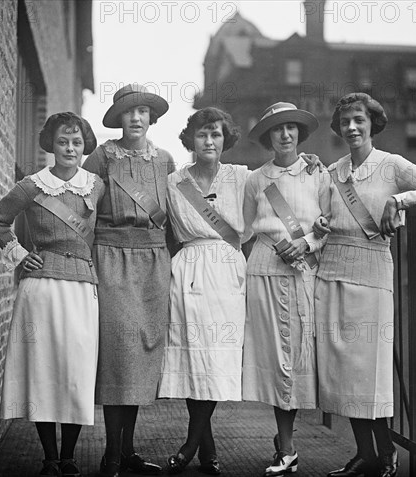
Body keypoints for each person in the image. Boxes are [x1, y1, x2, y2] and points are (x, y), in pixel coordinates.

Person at [313, 92, 416, 477]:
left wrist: (400, 201)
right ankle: (364, 455)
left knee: (369, 369)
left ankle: (387, 451)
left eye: (359, 120)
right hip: (330, 271)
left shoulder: (391, 165)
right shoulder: (333, 170)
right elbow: (320, 217)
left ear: (372, 123)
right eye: (345, 122)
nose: (352, 127)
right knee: (342, 368)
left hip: (372, 273)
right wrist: (320, 222)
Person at [0, 112, 104, 477]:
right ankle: (50, 458)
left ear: (85, 147)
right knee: (43, 371)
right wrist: (21, 255)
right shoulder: (31, 185)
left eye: (77, 142)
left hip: (83, 288)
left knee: (76, 371)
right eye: (63, 142)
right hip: (41, 288)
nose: (70, 148)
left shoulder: (96, 185)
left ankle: (69, 456)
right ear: (51, 145)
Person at [82, 84, 175, 477]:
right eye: (128, 112)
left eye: (142, 111)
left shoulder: (166, 160)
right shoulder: (102, 156)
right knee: (118, 355)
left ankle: (130, 450)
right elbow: (79, 206)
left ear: (151, 118)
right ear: (118, 118)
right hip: (112, 257)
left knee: (141, 357)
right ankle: (112, 453)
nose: (135, 118)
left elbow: (190, 203)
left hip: (154, 260)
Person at [158, 107, 248, 475]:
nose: (209, 141)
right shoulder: (174, 182)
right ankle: (206, 450)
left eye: (216, 134)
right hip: (189, 271)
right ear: (190, 140)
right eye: (201, 134)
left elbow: (281, 196)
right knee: (195, 360)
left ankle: (191, 445)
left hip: (227, 273)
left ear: (226, 139)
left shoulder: (243, 177)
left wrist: (307, 165)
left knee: (217, 358)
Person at [242, 102, 331, 477]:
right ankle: (286, 445)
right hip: (264, 271)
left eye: (291, 128)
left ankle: (287, 444)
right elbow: (244, 230)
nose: (285, 134)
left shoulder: (317, 173)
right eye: (277, 129)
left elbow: (330, 223)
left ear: (299, 133)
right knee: (273, 360)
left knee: (296, 357)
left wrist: (307, 243)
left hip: (303, 269)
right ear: (268, 136)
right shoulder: (256, 179)